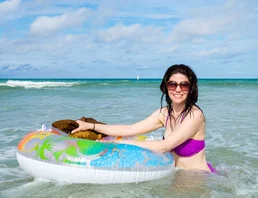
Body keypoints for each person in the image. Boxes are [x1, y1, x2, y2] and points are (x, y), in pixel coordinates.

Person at [71, 64, 215, 173]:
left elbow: (165, 146)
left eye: (184, 85)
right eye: (172, 84)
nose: (177, 89)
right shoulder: (164, 113)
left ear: (191, 89)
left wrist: (117, 143)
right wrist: (91, 126)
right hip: (178, 176)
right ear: (166, 87)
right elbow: (131, 129)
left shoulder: (195, 115)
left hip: (199, 178)